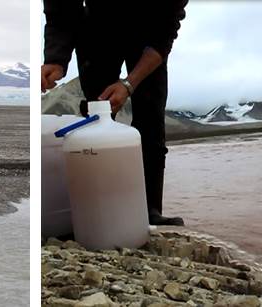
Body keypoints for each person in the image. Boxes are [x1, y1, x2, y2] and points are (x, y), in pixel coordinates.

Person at [42, 0, 189, 226]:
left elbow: (164, 34)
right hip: (97, 25)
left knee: (150, 119)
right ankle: (94, 207)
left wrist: (129, 84)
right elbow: (62, 7)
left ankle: (149, 210)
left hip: (149, 30)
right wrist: (56, 58)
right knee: (97, 114)